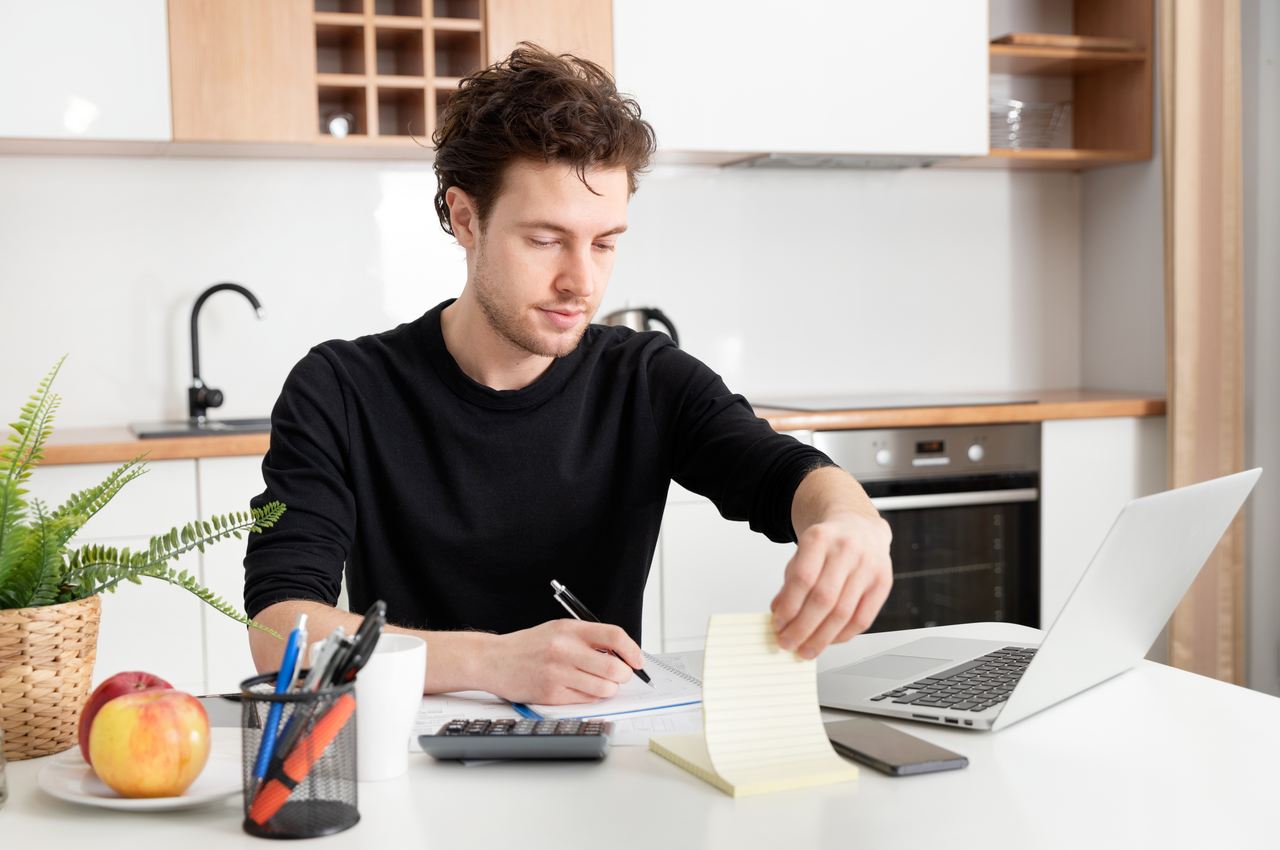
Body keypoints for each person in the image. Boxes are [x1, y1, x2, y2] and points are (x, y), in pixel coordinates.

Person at [244, 44, 892, 706]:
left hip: (604, 752)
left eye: (605, 242)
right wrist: (490, 661)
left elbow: (779, 470)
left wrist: (850, 519)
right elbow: (277, 628)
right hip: (413, 758)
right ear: (466, 218)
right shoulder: (341, 388)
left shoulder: (644, 377)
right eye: (547, 240)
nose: (581, 282)